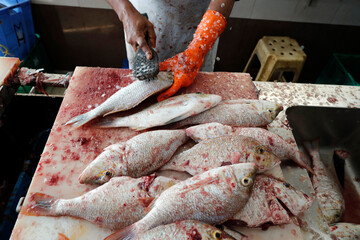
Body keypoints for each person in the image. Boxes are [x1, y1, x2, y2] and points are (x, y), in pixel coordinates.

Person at [106, 0, 236, 101]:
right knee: (141, 96)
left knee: (195, 96)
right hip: (141, 18)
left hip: (203, 25)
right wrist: (125, 12)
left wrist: (197, 49)